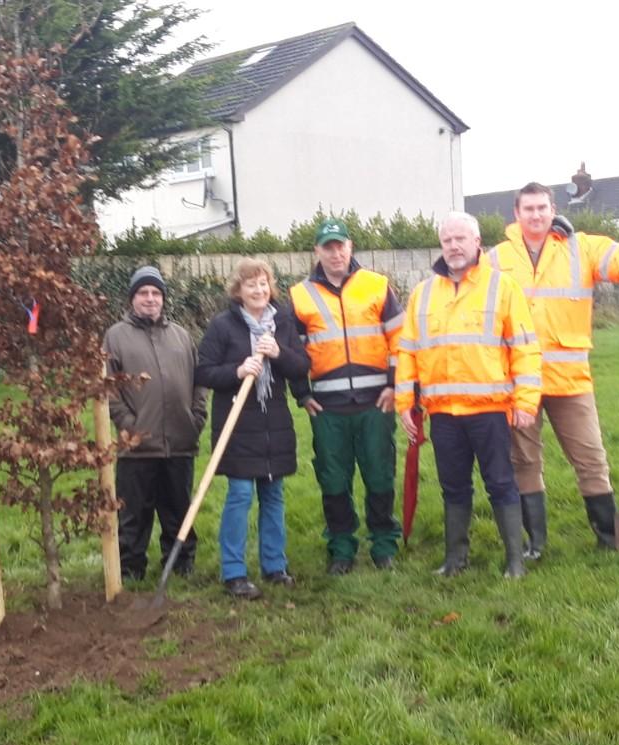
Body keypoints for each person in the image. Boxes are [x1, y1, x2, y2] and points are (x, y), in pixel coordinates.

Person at [490, 182, 619, 558]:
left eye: (542, 208)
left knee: (591, 458)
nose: (536, 215)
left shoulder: (581, 247)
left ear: (553, 208)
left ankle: (609, 538)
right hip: (518, 382)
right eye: (529, 209)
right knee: (524, 461)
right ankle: (535, 543)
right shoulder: (495, 259)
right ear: (516, 214)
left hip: (571, 381)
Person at [395, 213, 541, 579]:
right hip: (443, 413)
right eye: (447, 240)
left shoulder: (502, 287)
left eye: (461, 239)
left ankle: (514, 561)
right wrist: (404, 405)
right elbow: (408, 353)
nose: (454, 246)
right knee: (453, 486)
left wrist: (525, 402)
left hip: (490, 410)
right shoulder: (422, 293)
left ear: (478, 243)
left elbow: (525, 348)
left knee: (501, 482)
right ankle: (454, 559)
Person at [290, 218, 405, 574]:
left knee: (380, 475)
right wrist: (301, 394)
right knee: (334, 480)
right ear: (317, 251)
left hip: (376, 403)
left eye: (341, 245)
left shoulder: (377, 286)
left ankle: (383, 544)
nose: (336, 252)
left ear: (350, 247)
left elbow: (400, 340)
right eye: (328, 246)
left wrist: (394, 385)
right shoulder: (299, 295)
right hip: (327, 409)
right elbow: (291, 351)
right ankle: (341, 548)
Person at [193, 258, 311, 599]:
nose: (258, 290)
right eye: (250, 285)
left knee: (273, 495)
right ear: (238, 290)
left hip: (273, 423)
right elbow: (203, 372)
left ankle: (275, 566)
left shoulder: (283, 322)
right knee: (241, 494)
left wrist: (278, 352)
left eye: (263, 284)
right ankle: (234, 572)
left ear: (269, 287)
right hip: (237, 423)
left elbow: (301, 366)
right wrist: (237, 370)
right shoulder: (222, 327)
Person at [104, 265, 207, 580]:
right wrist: (128, 424)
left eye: (156, 293)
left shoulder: (181, 336)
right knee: (134, 513)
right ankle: (132, 567)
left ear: (163, 298)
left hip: (179, 441)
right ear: (132, 298)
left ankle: (180, 563)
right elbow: (108, 388)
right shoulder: (115, 336)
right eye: (143, 293)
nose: (150, 299)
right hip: (137, 445)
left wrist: (196, 417)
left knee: (178, 509)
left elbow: (198, 381)